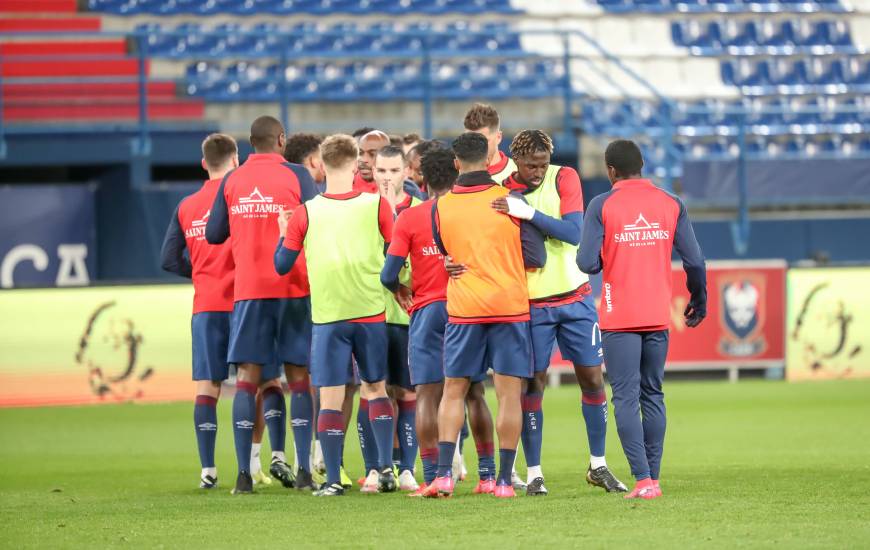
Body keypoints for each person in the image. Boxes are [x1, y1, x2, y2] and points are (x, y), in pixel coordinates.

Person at [497, 130, 627, 496]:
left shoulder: (564, 176)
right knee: (533, 384)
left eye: (541, 164)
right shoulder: (501, 188)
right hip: (532, 304)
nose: (537, 172)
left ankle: (598, 465)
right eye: (529, 165)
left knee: (592, 379)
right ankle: (535, 472)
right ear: (514, 160)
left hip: (576, 299)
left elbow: (574, 233)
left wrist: (530, 213)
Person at [577, 139, 707, 500]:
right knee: (653, 393)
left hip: (619, 317)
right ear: (643, 165)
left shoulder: (601, 204)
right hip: (656, 315)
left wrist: (611, 254)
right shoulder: (671, 203)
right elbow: (695, 260)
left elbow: (586, 262)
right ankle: (654, 478)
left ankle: (642, 479)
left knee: (625, 397)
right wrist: (700, 298)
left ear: (611, 171)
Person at [274, 134, 398, 497]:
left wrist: (284, 235)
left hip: (329, 318)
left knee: (329, 396)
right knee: (375, 389)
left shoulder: (305, 213)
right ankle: (386, 470)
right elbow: (395, 254)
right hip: (371, 313)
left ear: (322, 164)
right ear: (357, 160)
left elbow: (282, 265)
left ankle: (332, 481)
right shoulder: (377, 206)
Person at [425, 132, 545, 498]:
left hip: (465, 309)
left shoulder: (440, 207)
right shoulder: (510, 200)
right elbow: (537, 258)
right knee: (509, 395)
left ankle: (444, 475)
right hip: (509, 308)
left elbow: (446, 251)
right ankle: (505, 482)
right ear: (490, 158)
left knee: (454, 391)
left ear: (456, 163)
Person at [205, 116, 319, 494]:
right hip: (293, 287)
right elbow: (317, 223)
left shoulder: (231, 181)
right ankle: (303, 471)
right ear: (281, 139)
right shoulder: (298, 177)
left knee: (247, 381)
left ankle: (242, 476)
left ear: (250, 143)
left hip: (249, 291)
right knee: (298, 378)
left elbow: (214, 233)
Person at [381, 147, 498, 496]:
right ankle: (488, 476)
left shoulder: (412, 218)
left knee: (427, 397)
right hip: (466, 309)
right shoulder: (472, 212)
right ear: (457, 172)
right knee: (475, 393)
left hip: (427, 310)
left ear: (422, 179)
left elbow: (388, 273)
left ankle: (434, 476)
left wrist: (401, 290)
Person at [159, 133, 239, 490]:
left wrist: (201, 273)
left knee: (208, 387)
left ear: (204, 163)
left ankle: (208, 469)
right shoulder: (240, 200)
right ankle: (255, 464)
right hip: (244, 303)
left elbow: (167, 260)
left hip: (206, 307)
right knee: (261, 381)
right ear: (235, 161)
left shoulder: (185, 206)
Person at [370, 145, 422, 492]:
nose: (387, 178)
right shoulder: (361, 209)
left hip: (405, 317)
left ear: (406, 172)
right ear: (371, 172)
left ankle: (407, 467)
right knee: (373, 390)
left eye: (393, 171)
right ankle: (377, 467)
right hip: (370, 313)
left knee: (406, 392)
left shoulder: (420, 210)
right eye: (381, 171)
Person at [463, 103, 516, 185]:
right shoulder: (454, 176)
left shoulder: (518, 172)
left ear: (499, 137)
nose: (475, 147)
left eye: (483, 141)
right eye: (470, 141)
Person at [353, 130, 390, 194]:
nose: (364, 160)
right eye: (360, 153)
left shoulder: (405, 189)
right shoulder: (344, 187)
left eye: (372, 154)